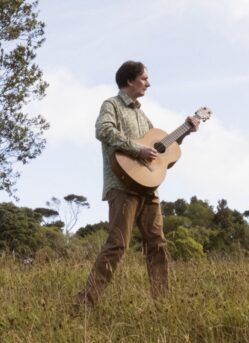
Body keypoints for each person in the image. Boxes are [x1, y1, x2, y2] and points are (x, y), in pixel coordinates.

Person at [74, 60, 200, 307]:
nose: (148, 83)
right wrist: (136, 149)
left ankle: (162, 303)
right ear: (130, 80)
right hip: (121, 187)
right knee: (117, 245)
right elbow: (103, 130)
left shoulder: (143, 117)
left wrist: (185, 131)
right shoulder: (111, 105)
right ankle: (84, 304)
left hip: (148, 190)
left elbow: (161, 151)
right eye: (144, 78)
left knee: (157, 244)